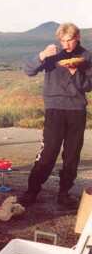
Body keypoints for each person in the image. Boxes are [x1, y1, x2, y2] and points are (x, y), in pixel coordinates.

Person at [20, 22, 92, 209]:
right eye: (62, 41)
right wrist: (42, 55)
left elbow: (88, 86)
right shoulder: (53, 54)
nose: (66, 45)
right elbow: (28, 70)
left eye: (70, 41)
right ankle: (32, 191)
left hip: (76, 109)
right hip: (54, 108)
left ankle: (64, 193)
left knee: (72, 154)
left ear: (77, 39)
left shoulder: (86, 56)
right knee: (48, 152)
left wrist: (75, 72)